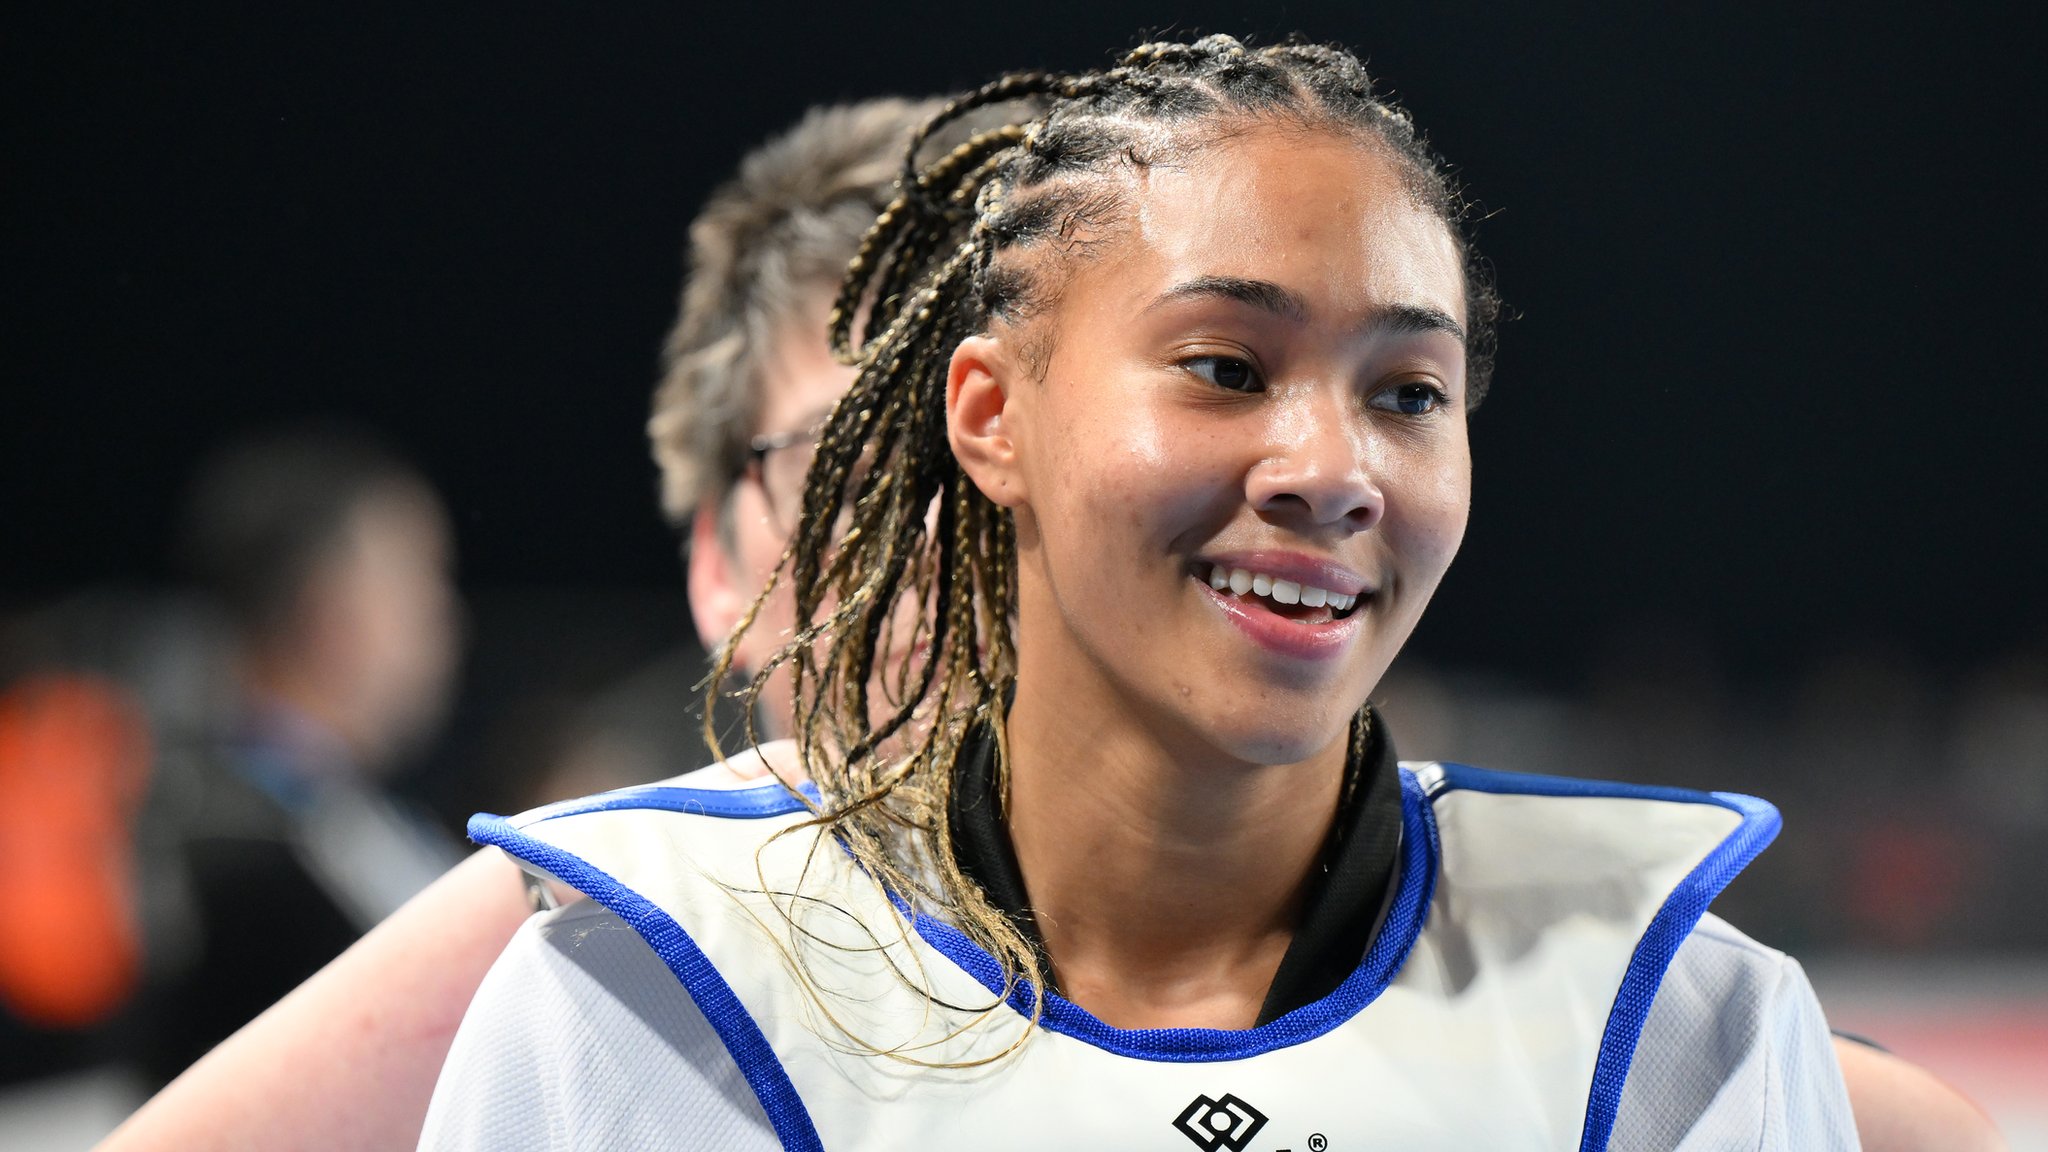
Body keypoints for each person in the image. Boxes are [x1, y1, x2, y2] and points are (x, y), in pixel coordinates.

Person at [99, 85, 2000, 1152]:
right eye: (841, 474)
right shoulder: (620, 968)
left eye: (1406, 389)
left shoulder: (1650, 1015)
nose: (930, 547)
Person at [131, 427, 464, 1084]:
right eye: (415, 576)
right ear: (326, 606)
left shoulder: (339, 819)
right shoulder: (227, 844)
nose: (443, 612)